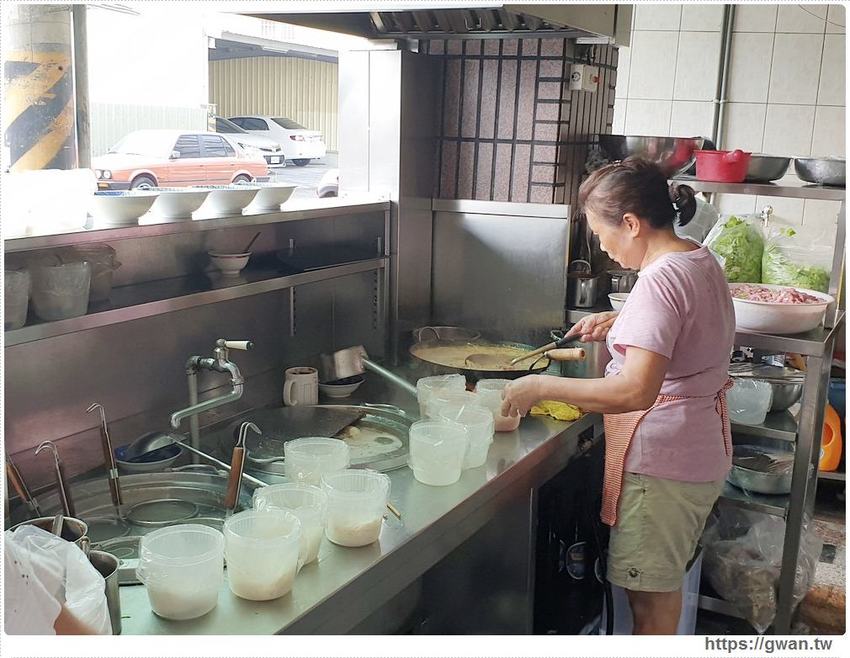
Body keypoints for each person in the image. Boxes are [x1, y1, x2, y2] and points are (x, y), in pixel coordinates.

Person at [502, 157, 735, 635]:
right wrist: (623, 321)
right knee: (660, 593)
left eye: (599, 233)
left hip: (664, 468)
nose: (603, 248)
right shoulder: (697, 257)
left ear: (630, 223)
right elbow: (687, 324)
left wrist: (537, 386)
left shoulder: (659, 280)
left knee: (650, 606)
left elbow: (635, 389)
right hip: (697, 452)